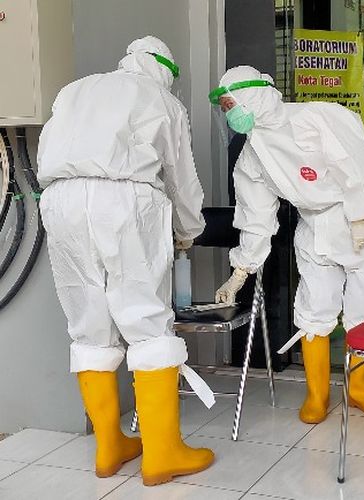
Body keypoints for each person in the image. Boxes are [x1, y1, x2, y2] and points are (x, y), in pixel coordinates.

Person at [38, 36, 214, 486]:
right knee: (147, 321)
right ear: (165, 71)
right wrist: (187, 232)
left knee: (89, 324)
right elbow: (181, 178)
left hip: (59, 200)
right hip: (126, 198)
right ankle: (162, 454)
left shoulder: (75, 89)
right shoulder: (162, 100)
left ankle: (109, 445)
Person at [210, 65, 364, 423]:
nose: (230, 113)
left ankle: (359, 389)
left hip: (362, 220)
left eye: (232, 103)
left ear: (254, 94)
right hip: (314, 224)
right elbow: (256, 214)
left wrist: (360, 214)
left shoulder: (317, 117)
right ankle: (317, 393)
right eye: (225, 108)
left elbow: (358, 164)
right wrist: (242, 269)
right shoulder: (252, 154)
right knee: (314, 308)